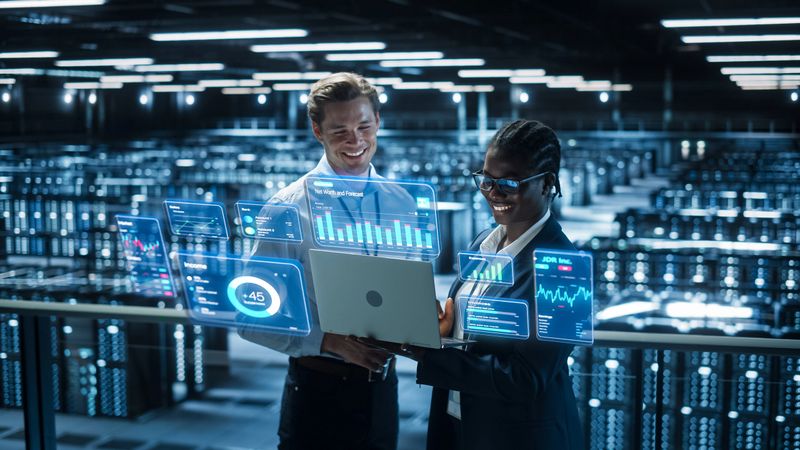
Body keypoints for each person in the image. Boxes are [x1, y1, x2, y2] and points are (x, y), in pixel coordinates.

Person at [365, 119, 584, 450]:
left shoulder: (564, 270)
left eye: (509, 182)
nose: (493, 194)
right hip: (460, 423)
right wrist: (437, 332)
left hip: (517, 437)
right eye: (486, 180)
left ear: (547, 183)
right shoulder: (485, 242)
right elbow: (475, 339)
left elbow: (526, 378)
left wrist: (427, 354)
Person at [238, 72, 399, 450]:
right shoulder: (287, 210)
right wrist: (329, 341)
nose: (355, 140)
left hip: (383, 392)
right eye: (340, 130)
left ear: (378, 122)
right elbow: (249, 318)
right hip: (319, 396)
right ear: (317, 131)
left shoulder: (401, 202)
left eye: (363, 125)